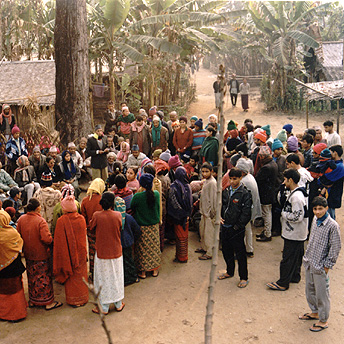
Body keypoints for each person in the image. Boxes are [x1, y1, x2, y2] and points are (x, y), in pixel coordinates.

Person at [300, 197, 341, 332]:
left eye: (320, 209)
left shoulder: (333, 226)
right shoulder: (315, 220)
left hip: (321, 266)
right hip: (310, 262)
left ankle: (323, 320)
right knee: (310, 290)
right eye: (315, 209)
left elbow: (335, 248)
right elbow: (311, 239)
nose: (317, 212)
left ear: (326, 208)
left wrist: (327, 266)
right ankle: (315, 312)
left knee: (322, 294)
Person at [17, 198, 63, 310]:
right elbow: (46, 239)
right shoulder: (40, 221)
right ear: (38, 208)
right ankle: (47, 302)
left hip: (28, 253)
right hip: (41, 254)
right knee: (43, 278)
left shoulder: (21, 219)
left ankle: (33, 301)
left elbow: (18, 235)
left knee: (32, 277)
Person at [267, 169, 308, 291]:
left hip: (294, 233)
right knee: (296, 256)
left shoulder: (296, 197)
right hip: (298, 232)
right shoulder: (297, 193)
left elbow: (297, 216)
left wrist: (284, 214)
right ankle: (295, 276)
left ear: (291, 180)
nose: (284, 182)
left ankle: (283, 282)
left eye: (285, 180)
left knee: (288, 258)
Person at [90, 192, 125, 314]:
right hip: (116, 251)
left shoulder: (96, 215)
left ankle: (104, 307)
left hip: (102, 252)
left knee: (103, 279)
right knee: (116, 277)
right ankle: (118, 303)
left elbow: (91, 228)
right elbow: (120, 228)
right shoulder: (118, 215)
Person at [219, 168, 252, 288]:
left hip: (236, 229)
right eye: (231, 179)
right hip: (225, 227)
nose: (233, 181)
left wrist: (238, 226)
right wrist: (220, 217)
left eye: (235, 179)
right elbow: (221, 206)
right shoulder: (226, 191)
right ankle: (229, 271)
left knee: (240, 254)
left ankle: (244, 277)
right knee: (226, 251)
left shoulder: (245, 193)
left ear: (240, 178)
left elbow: (246, 213)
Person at [53, 196, 88, 307]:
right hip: (81, 252)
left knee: (72, 276)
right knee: (81, 274)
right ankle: (83, 298)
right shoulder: (81, 219)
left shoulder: (61, 221)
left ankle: (74, 300)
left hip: (68, 254)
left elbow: (59, 240)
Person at [131, 174, 160, 279]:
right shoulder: (156, 194)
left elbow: (132, 206)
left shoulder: (137, 196)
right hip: (154, 227)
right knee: (154, 248)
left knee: (142, 249)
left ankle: (142, 272)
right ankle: (154, 270)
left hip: (142, 227)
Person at [0, 210, 27, 322]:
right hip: (13, 266)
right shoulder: (11, 232)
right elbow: (20, 244)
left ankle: (4, 313)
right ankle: (17, 313)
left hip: (2, 267)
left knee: (3, 290)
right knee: (15, 289)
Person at [81, 178, 105, 280]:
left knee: (92, 251)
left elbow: (83, 217)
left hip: (91, 230)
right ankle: (102, 272)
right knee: (102, 251)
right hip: (102, 231)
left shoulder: (85, 200)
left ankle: (93, 271)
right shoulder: (103, 199)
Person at [167, 167, 192, 263]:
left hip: (178, 217)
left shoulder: (174, 186)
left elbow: (173, 202)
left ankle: (180, 257)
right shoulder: (188, 186)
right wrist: (187, 213)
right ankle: (184, 256)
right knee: (184, 237)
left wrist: (179, 213)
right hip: (186, 216)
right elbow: (190, 202)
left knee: (179, 237)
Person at [256, 146, 278, 242]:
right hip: (270, 192)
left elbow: (259, 179)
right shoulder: (273, 163)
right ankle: (266, 231)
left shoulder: (266, 168)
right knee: (267, 213)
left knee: (266, 213)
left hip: (266, 194)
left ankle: (267, 233)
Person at [196, 163, 217, 260]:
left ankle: (209, 253)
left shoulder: (212, 183)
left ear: (211, 172)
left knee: (209, 234)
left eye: (206, 171)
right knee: (203, 231)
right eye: (203, 171)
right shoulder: (206, 181)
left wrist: (213, 213)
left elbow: (213, 199)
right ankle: (204, 247)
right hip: (203, 211)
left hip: (209, 213)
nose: (204, 174)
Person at [318, 145, 344, 220]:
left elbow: (324, 179)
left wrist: (321, 180)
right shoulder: (334, 164)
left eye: (331, 152)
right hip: (330, 195)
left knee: (330, 218)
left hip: (332, 195)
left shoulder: (339, 167)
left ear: (335, 153)